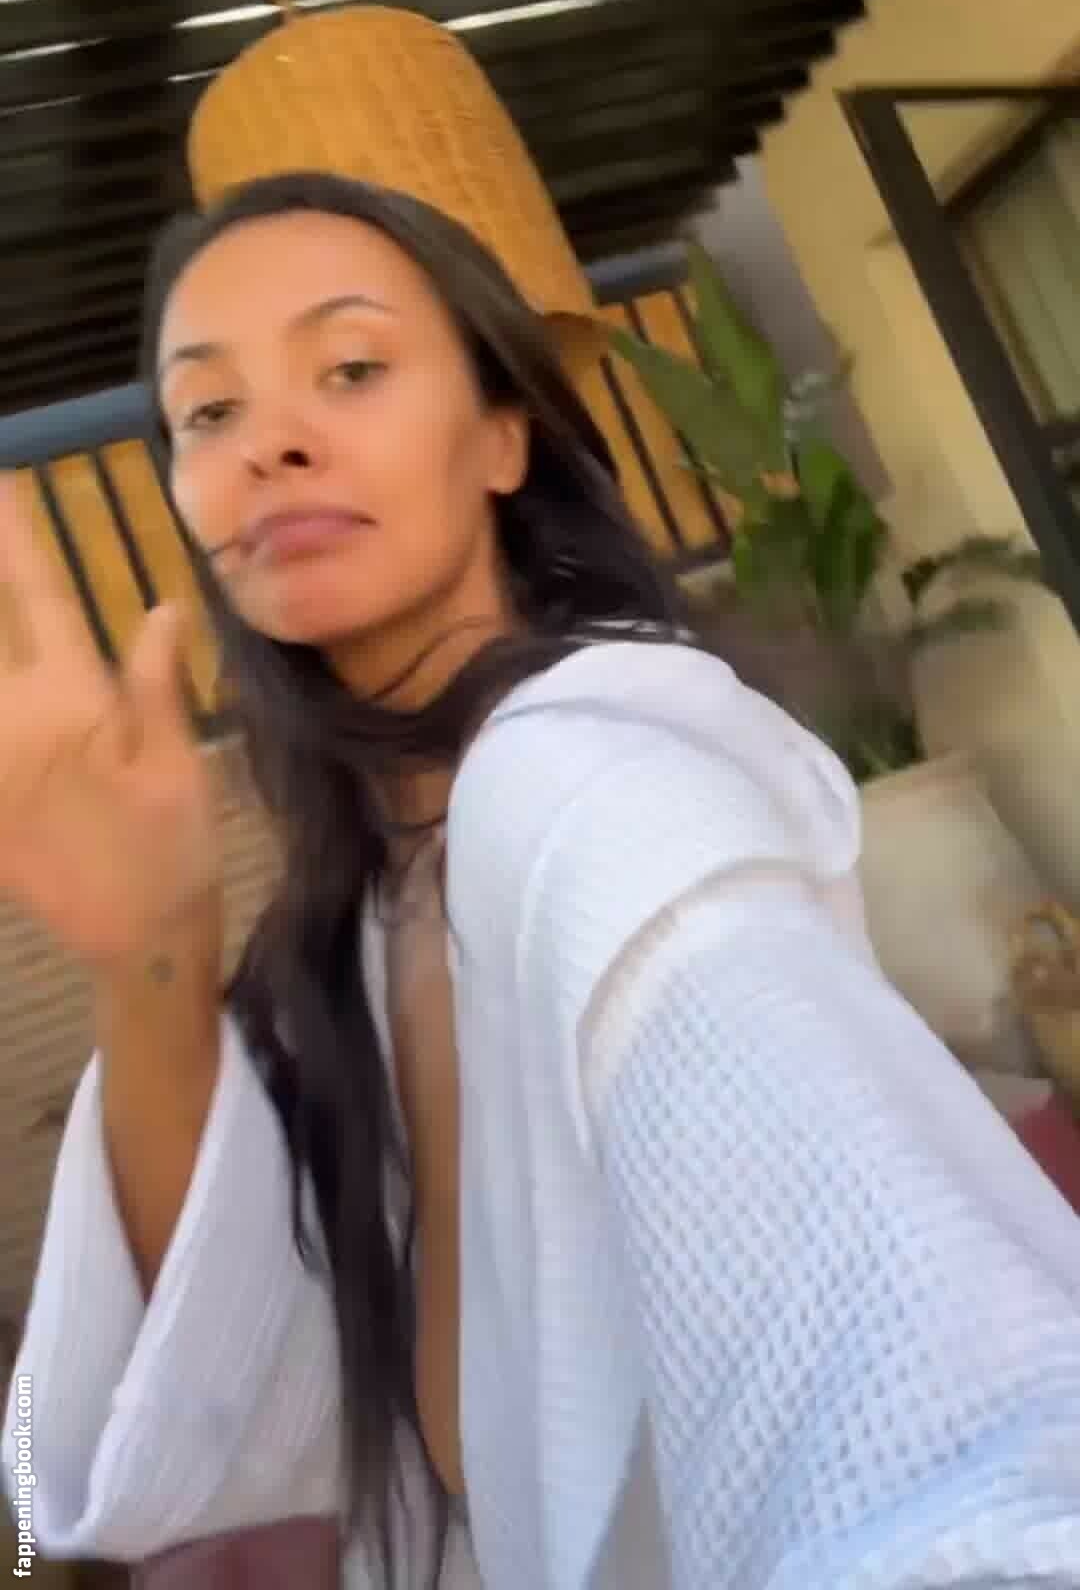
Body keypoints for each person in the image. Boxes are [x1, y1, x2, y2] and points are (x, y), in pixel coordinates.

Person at [3, 171, 1080, 1590]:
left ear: (503, 437)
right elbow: (180, 1422)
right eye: (209, 411)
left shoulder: (591, 799)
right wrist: (149, 951)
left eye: (351, 368)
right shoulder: (369, 897)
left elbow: (959, 1436)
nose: (270, 441)